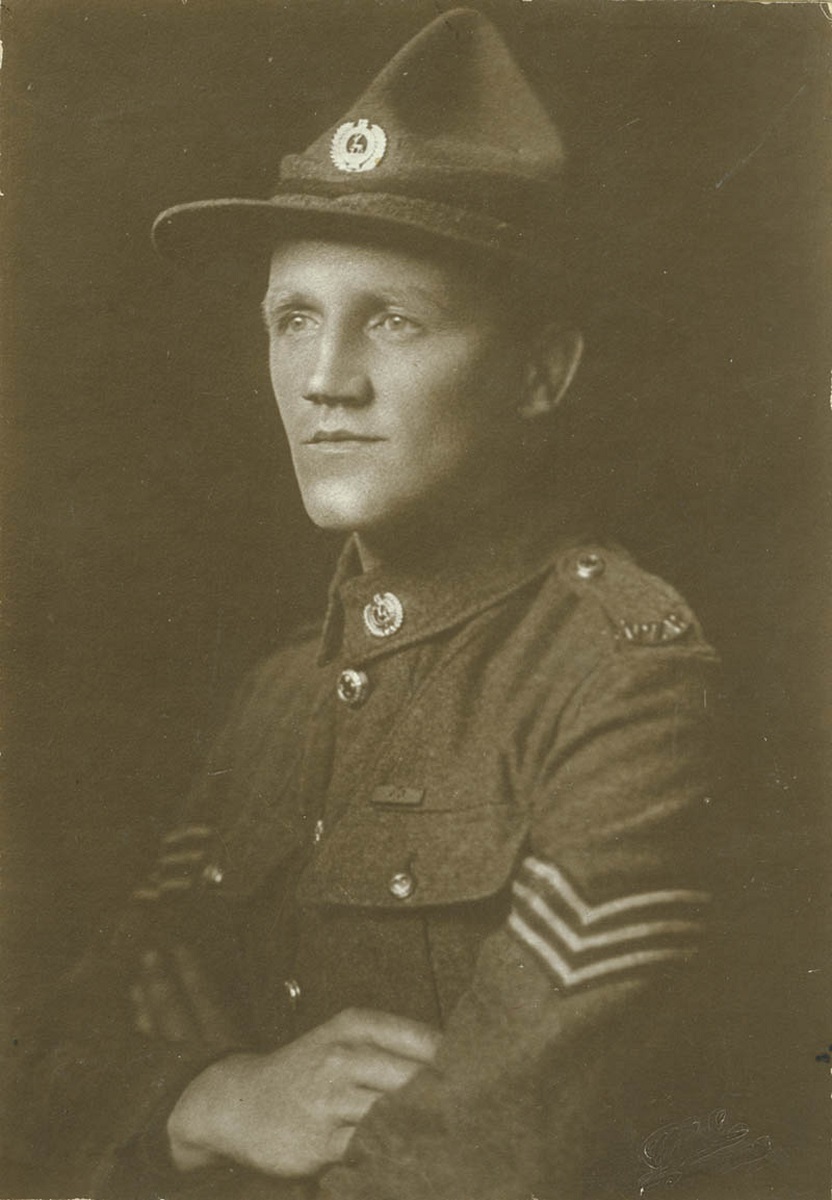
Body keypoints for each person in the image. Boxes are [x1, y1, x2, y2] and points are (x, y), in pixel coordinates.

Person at [10, 9, 730, 1199]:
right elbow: (38, 1070)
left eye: (392, 318)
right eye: (293, 318)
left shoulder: (623, 678)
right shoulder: (281, 692)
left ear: (541, 373)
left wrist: (185, 1125)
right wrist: (217, 1098)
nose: (324, 380)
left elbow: (484, 1157)